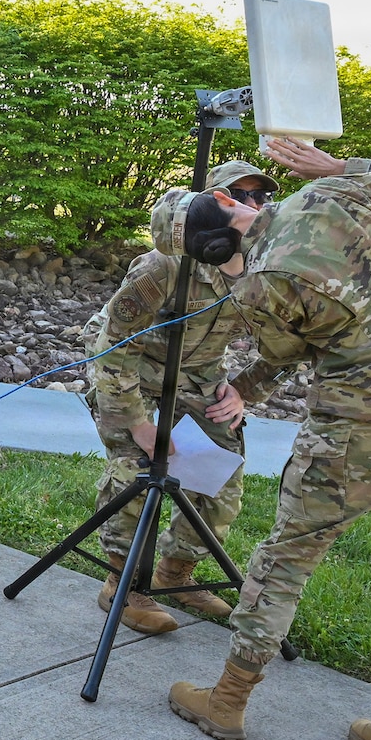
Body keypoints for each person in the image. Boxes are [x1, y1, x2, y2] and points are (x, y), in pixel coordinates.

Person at [155, 137, 371, 740]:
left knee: (288, 552)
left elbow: (288, 348)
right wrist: (343, 166)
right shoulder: (331, 193)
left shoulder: (259, 286)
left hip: (364, 417)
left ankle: (226, 702)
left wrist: (247, 372)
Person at [84, 161, 289, 634]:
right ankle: (122, 583)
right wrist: (136, 422)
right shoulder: (167, 262)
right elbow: (111, 343)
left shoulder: (268, 270)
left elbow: (289, 347)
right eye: (241, 195)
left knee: (219, 474)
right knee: (138, 468)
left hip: (197, 376)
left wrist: (242, 390)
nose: (254, 206)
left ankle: (175, 575)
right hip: (130, 370)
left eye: (261, 198)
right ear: (215, 203)